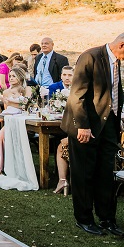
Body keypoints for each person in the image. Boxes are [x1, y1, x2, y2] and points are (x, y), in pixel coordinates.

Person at [62, 31, 124, 237]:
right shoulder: (90, 57)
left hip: (108, 125)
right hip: (86, 124)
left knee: (106, 173)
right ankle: (84, 219)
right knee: (84, 173)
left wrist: (117, 117)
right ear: (122, 45)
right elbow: (77, 94)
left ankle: (107, 218)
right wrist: (83, 126)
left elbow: (113, 91)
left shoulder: (116, 61)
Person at [0, 67, 32, 174]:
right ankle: (2, 164)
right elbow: (8, 110)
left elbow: (25, 106)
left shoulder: (27, 89)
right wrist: (11, 104)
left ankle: (19, 165)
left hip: (23, 120)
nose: (11, 78)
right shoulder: (6, 92)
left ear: (20, 77)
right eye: (10, 76)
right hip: (11, 120)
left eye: (14, 76)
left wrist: (10, 102)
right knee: (0, 138)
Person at [50, 66, 75, 195]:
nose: (67, 78)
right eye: (64, 75)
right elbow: (50, 104)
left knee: (62, 143)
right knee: (60, 139)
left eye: (69, 75)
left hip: (74, 127)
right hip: (59, 122)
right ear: (61, 76)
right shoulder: (54, 87)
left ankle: (63, 180)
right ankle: (61, 178)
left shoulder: (78, 89)